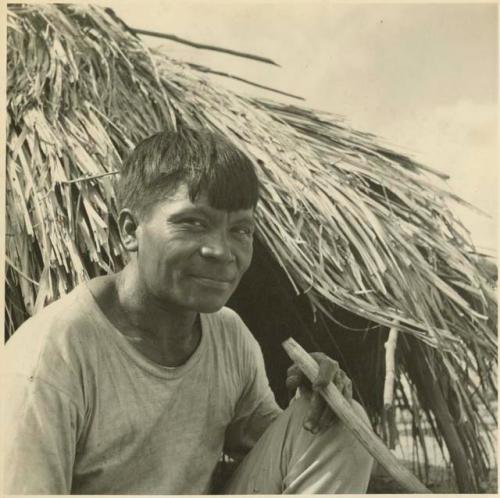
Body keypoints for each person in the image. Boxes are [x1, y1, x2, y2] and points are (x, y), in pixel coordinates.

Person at [3, 127, 374, 494]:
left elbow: (278, 447)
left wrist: (320, 399)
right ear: (129, 231)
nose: (222, 251)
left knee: (340, 421)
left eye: (240, 230)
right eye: (193, 223)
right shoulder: (51, 359)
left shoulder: (228, 334)